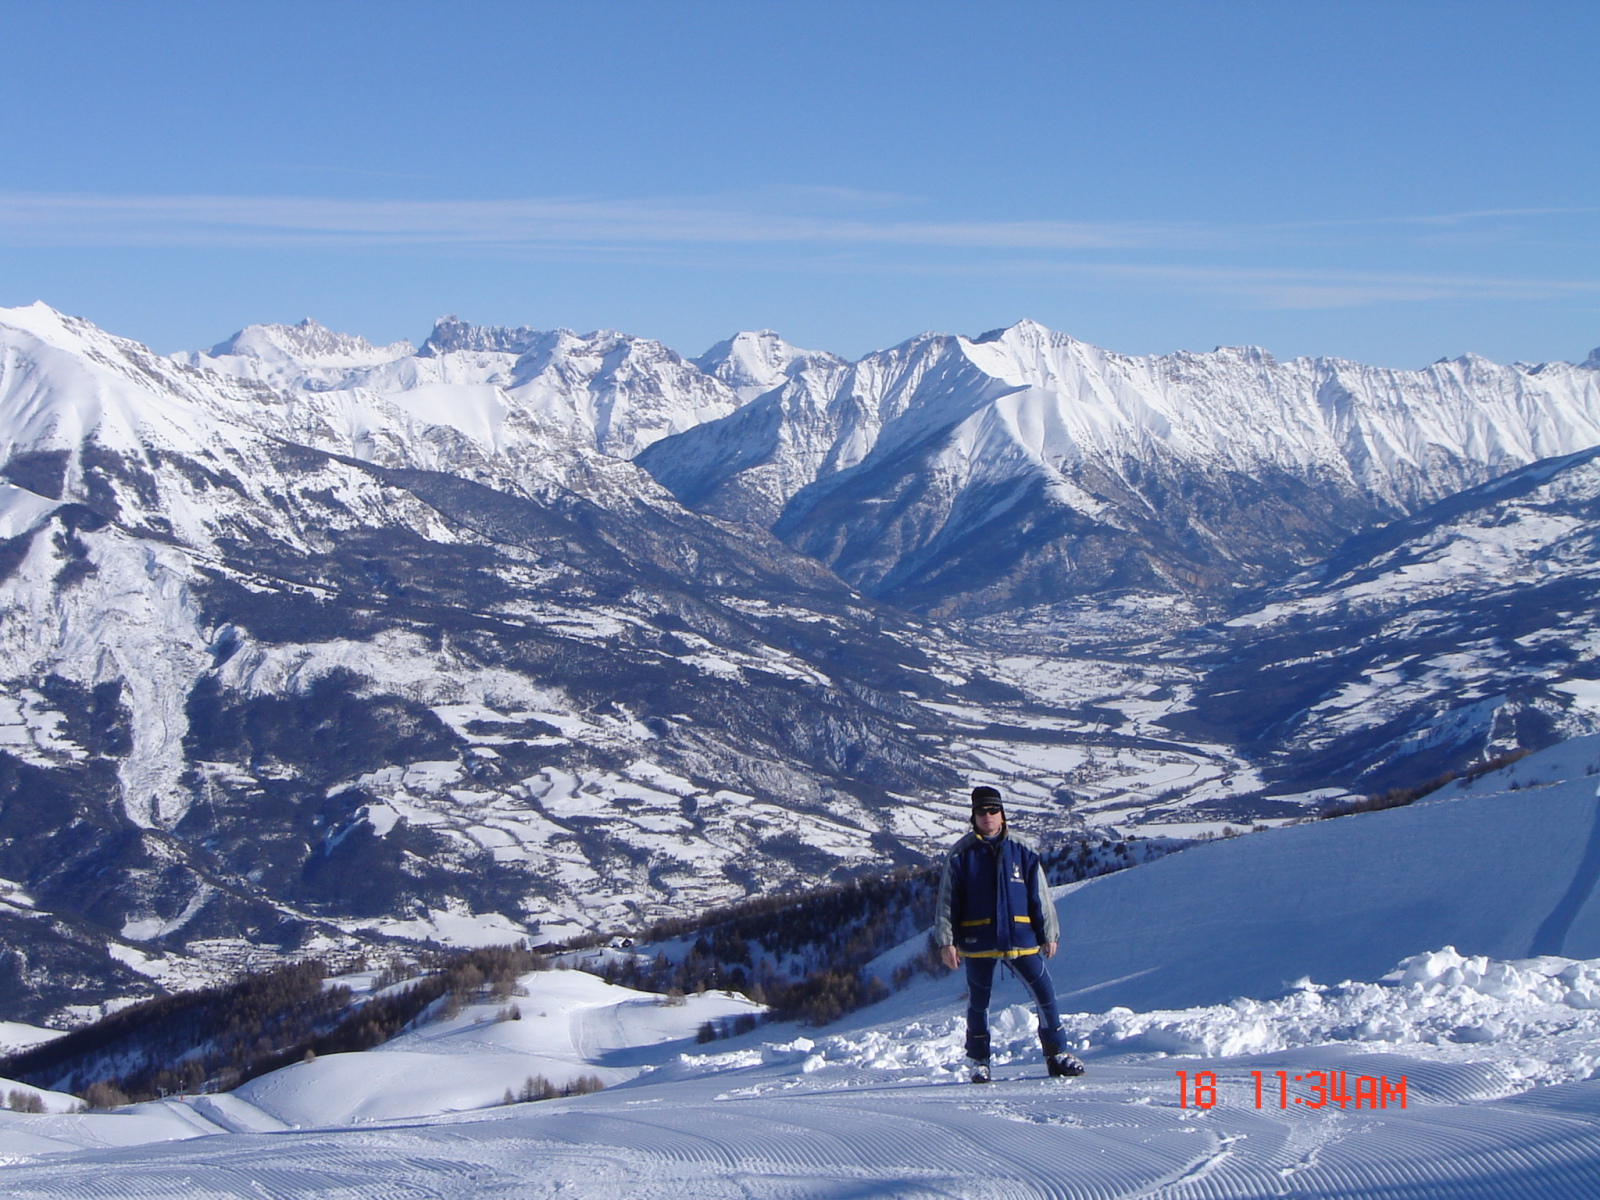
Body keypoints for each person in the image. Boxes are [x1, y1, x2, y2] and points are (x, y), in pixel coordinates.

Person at [933, 785, 1085, 1083]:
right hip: (979, 941)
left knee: (1045, 996)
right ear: (973, 817)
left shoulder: (1022, 849)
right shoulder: (961, 855)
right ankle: (979, 1061)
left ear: (1002, 814)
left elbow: (1039, 894)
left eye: (993, 810)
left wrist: (1048, 934)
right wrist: (946, 941)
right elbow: (947, 901)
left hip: (1021, 939)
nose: (988, 816)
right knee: (979, 1002)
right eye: (981, 812)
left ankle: (1057, 1054)